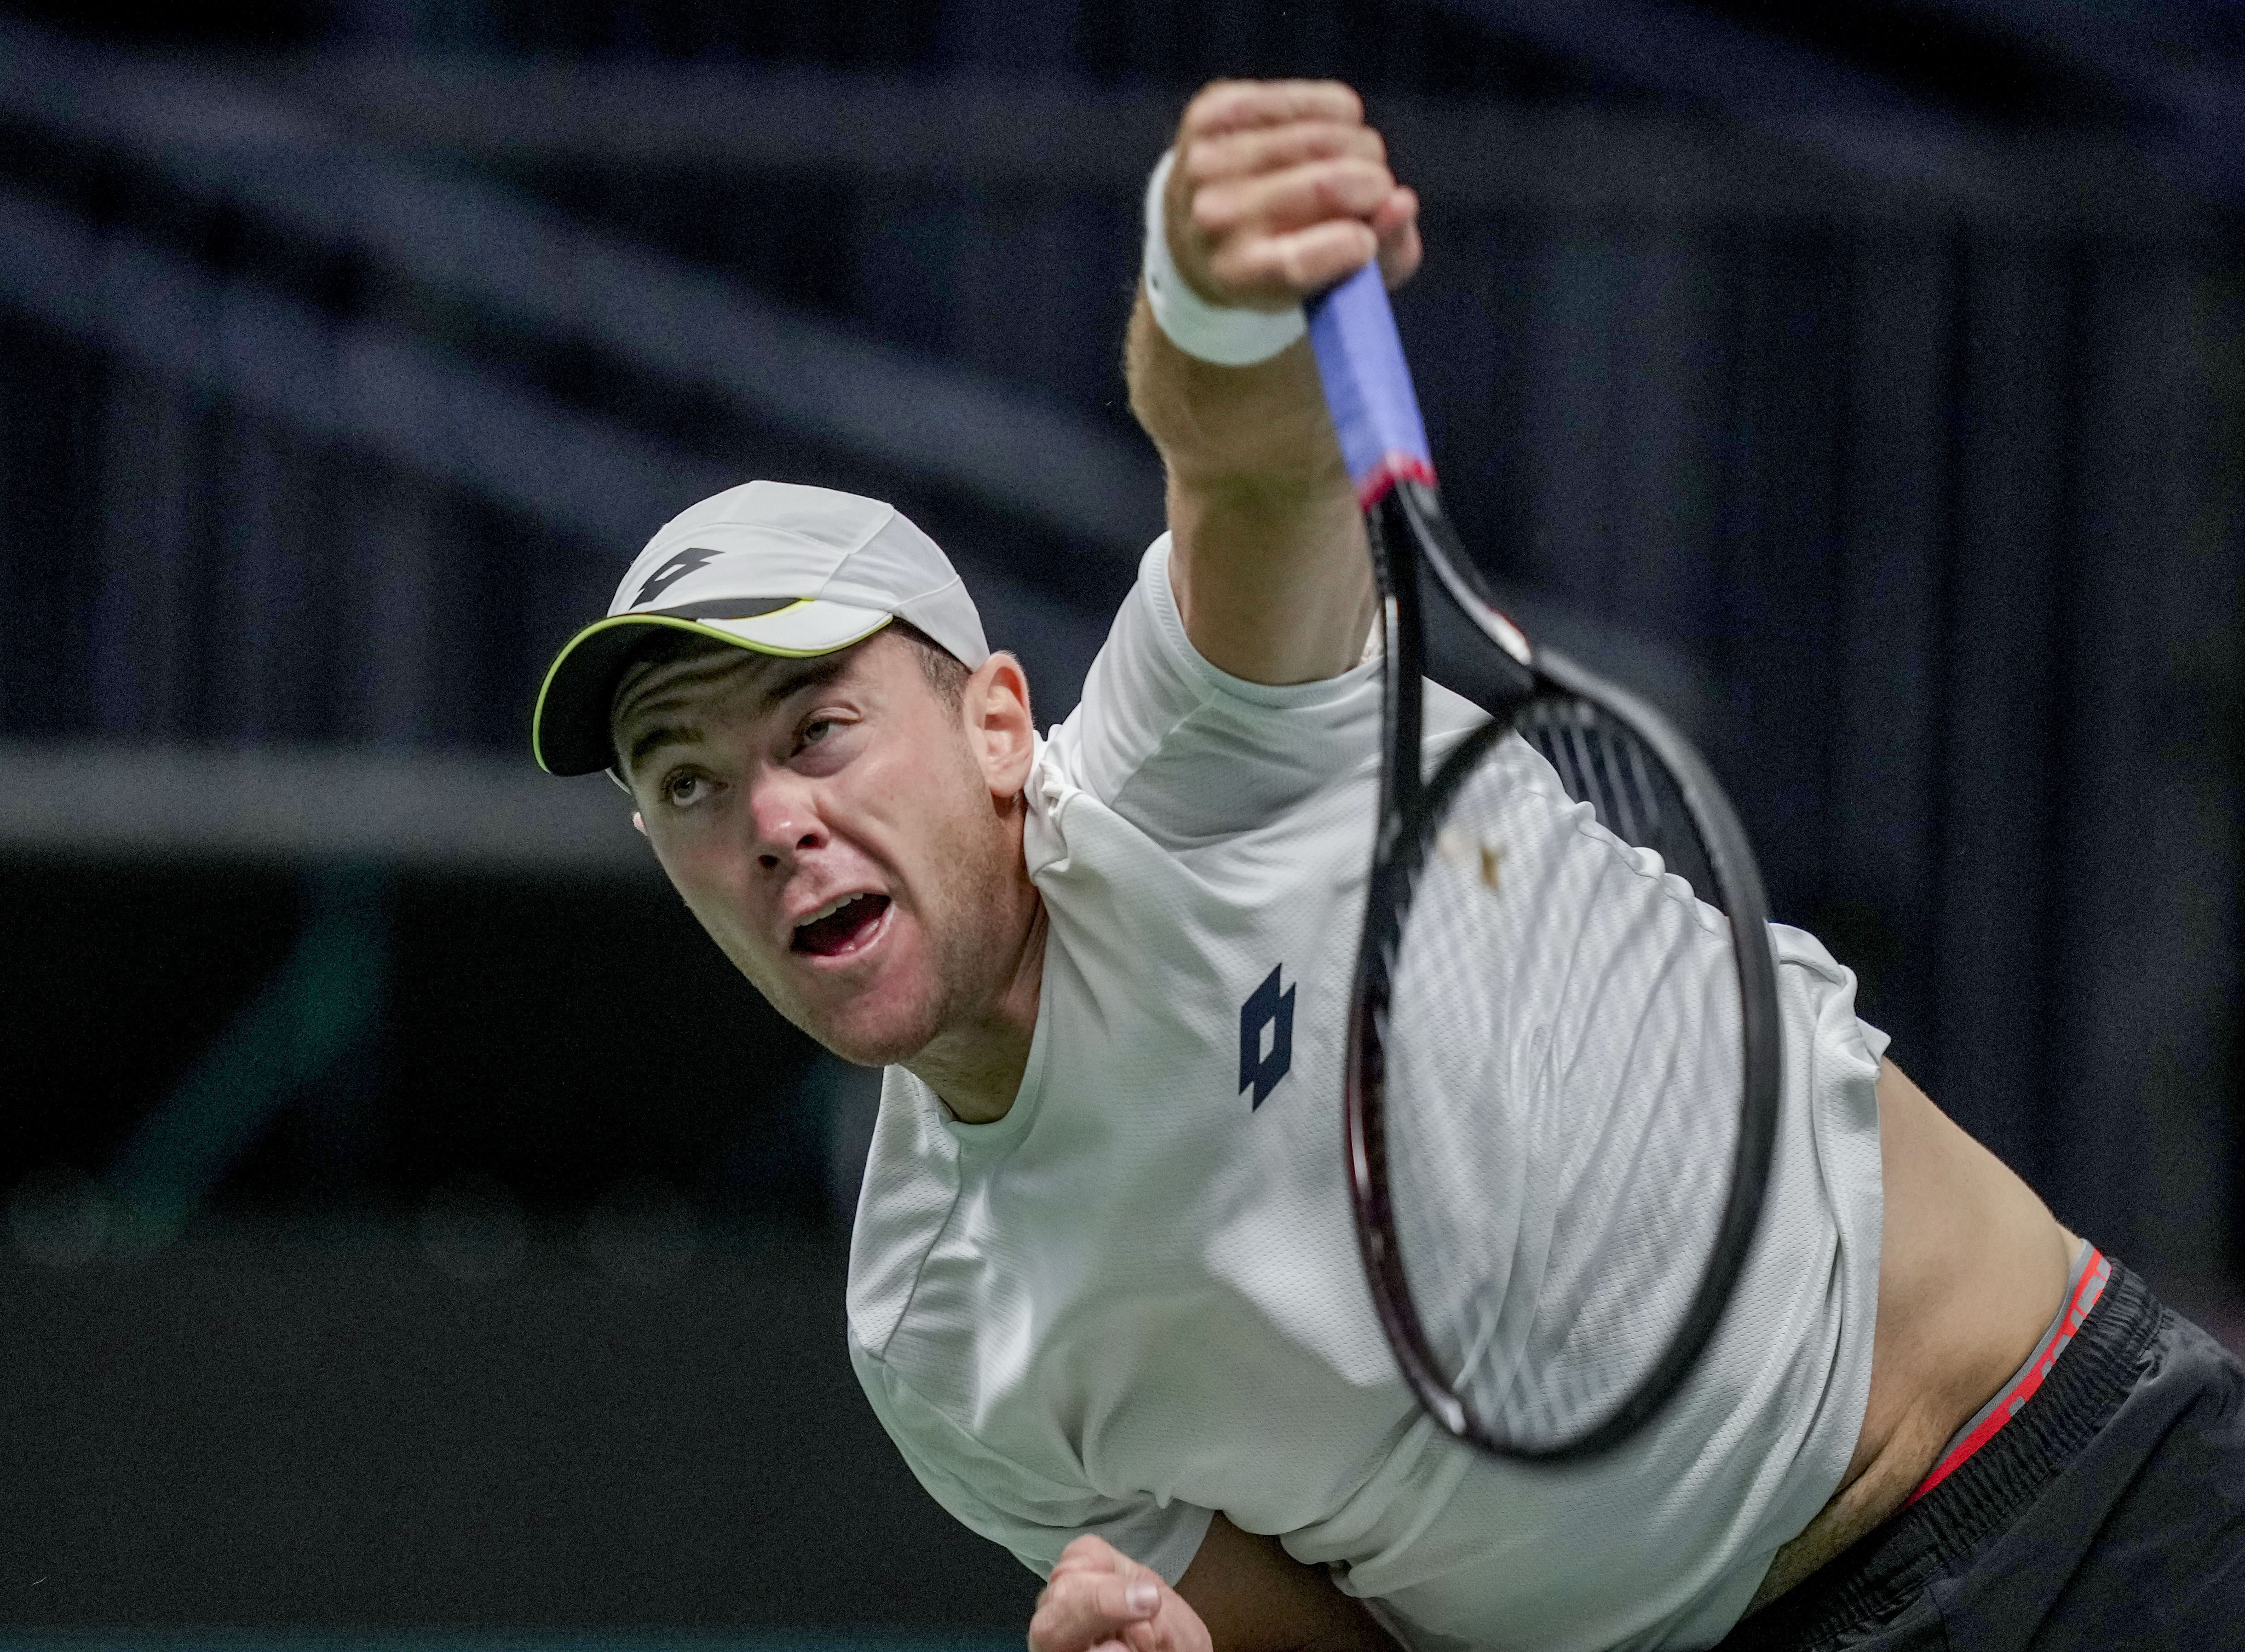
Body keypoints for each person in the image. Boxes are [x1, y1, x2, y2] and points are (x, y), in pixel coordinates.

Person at [532, 80, 2245, 1652]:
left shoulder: (1201, 752)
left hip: (2074, 1503)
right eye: (688, 778)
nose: (768, 817)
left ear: (996, 726)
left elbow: (1247, 459)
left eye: (818, 728)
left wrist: (1208, 290)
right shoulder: (939, 1343)